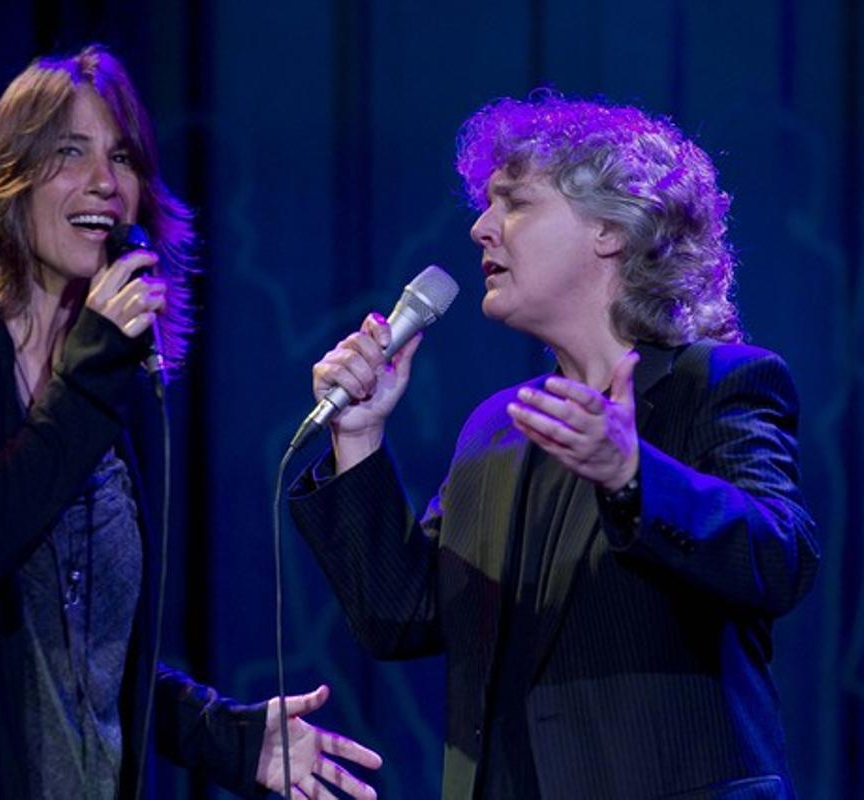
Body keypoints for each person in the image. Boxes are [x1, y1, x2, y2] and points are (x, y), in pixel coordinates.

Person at [0, 45, 381, 800]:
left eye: (124, 157)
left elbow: (83, 661)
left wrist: (226, 737)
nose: (104, 182)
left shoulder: (113, 387)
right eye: (69, 153)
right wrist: (92, 370)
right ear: (11, 179)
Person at [288, 91, 820, 799]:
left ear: (610, 227)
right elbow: (402, 617)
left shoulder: (717, 382)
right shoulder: (497, 428)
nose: (481, 228)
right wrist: (358, 436)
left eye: (514, 202)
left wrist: (632, 475)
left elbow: (779, 556)